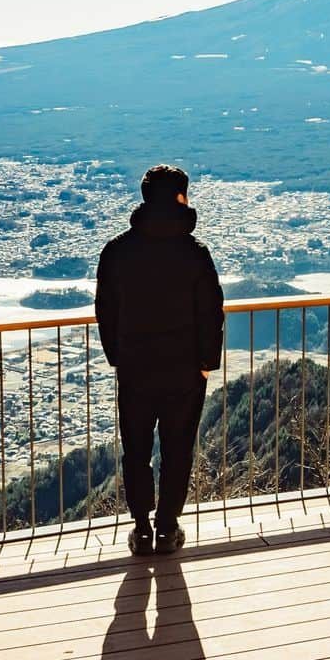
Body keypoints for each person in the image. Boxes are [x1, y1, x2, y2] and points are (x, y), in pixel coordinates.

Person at [95, 165, 224, 555]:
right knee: (177, 449)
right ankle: (167, 527)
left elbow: (106, 310)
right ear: (181, 198)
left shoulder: (118, 251)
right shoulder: (195, 252)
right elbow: (211, 311)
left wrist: (117, 356)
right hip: (185, 369)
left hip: (135, 367)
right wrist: (206, 362)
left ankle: (141, 528)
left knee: (135, 451)